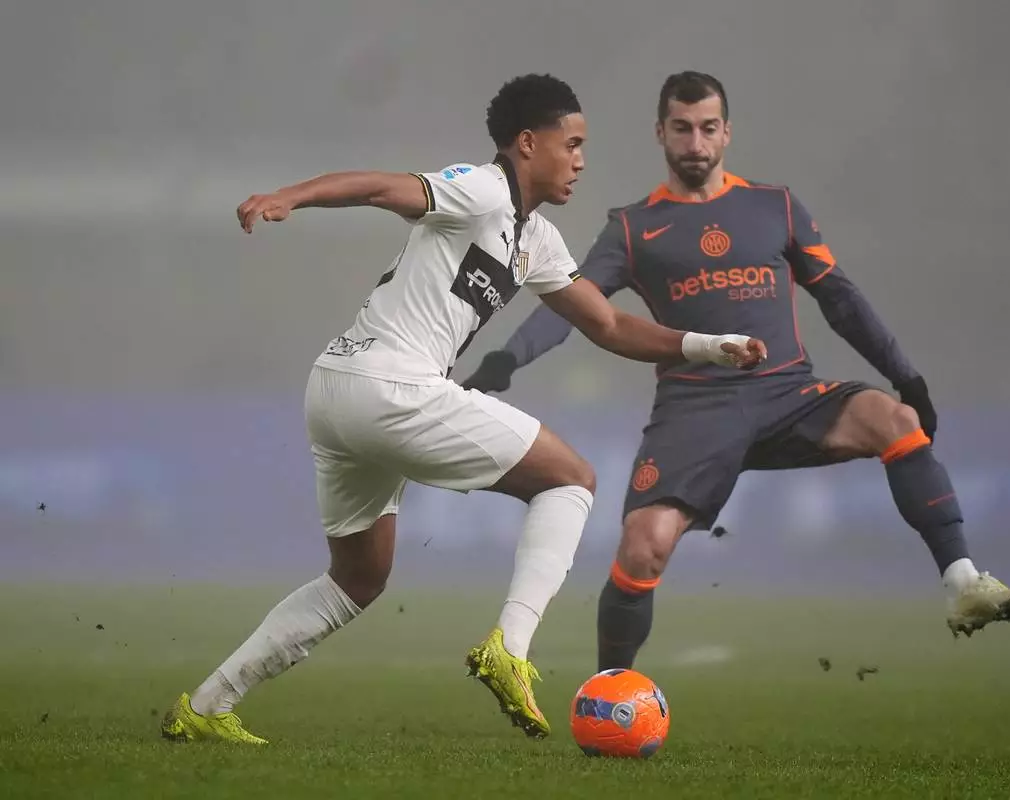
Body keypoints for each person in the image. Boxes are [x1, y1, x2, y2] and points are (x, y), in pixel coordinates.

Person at [159, 73, 766, 745]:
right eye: (571, 144)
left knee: (357, 578)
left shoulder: (536, 239)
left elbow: (608, 325)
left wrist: (705, 345)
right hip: (391, 386)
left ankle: (207, 705)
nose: (580, 160)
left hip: (337, 388)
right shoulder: (481, 189)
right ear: (527, 144)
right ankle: (511, 647)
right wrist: (289, 197)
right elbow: (380, 187)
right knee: (572, 480)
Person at [462, 71, 1010, 674]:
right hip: (696, 409)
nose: (696, 143)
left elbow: (839, 298)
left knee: (893, 419)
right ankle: (610, 688)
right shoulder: (633, 228)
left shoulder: (774, 207)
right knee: (642, 546)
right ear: (660, 133)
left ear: (727, 132)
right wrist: (507, 359)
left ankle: (962, 583)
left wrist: (907, 377)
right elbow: (574, 306)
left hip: (788, 393)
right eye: (682, 129)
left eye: (708, 128)